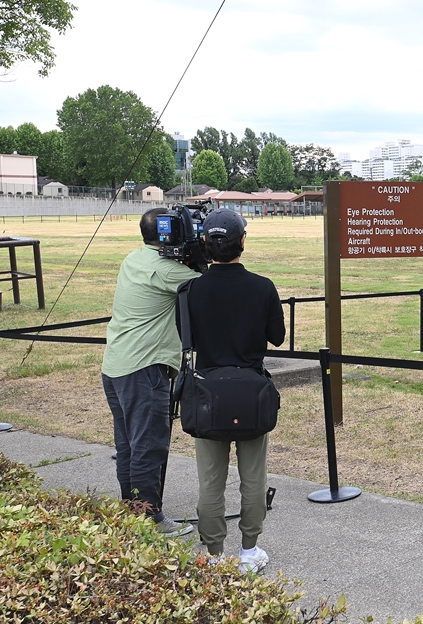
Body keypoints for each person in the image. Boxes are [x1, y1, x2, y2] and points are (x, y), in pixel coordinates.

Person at [183, 208, 285, 573]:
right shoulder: (263, 286)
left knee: (210, 481)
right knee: (253, 478)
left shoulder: (190, 289)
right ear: (243, 241)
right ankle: (249, 549)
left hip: (208, 392)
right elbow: (277, 337)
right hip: (251, 389)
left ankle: (213, 554)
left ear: (206, 244)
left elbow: (186, 339)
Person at [102, 208, 198, 537]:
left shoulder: (134, 260)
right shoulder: (169, 271)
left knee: (129, 444)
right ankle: (150, 519)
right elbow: (209, 287)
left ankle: (133, 511)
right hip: (144, 370)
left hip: (116, 366)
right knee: (149, 445)